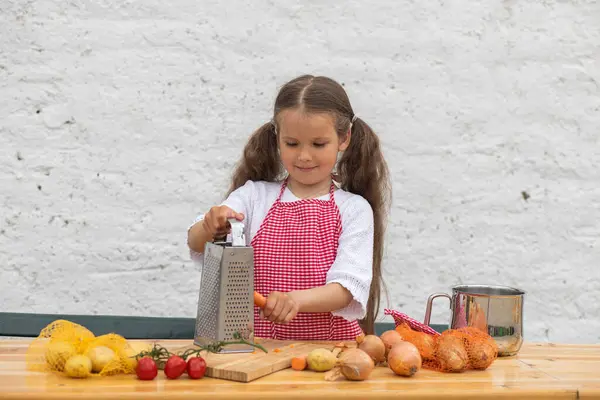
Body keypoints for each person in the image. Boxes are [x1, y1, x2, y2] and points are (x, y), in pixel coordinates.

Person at [187, 74, 391, 341]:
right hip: (258, 350)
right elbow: (195, 241)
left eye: (319, 144)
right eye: (292, 144)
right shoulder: (254, 197)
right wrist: (210, 224)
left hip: (332, 355)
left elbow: (346, 288)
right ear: (277, 138)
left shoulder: (354, 209)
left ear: (344, 139)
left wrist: (295, 301)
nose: (304, 156)